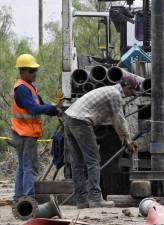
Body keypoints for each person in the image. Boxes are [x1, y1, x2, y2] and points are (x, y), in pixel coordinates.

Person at [64, 75, 139, 208]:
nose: (130, 95)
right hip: (81, 121)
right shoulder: (115, 94)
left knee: (77, 163)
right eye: (131, 92)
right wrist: (128, 140)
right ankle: (95, 198)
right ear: (126, 87)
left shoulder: (109, 90)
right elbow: (119, 120)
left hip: (70, 118)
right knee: (93, 160)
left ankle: (81, 200)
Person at [11, 54, 60, 202]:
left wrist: (55, 109)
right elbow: (34, 108)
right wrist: (51, 108)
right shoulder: (21, 89)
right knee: (29, 168)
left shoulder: (29, 88)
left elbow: (41, 105)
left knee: (23, 167)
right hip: (24, 134)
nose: (34, 73)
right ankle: (27, 200)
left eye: (35, 70)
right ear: (22, 71)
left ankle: (19, 199)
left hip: (22, 133)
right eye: (31, 71)